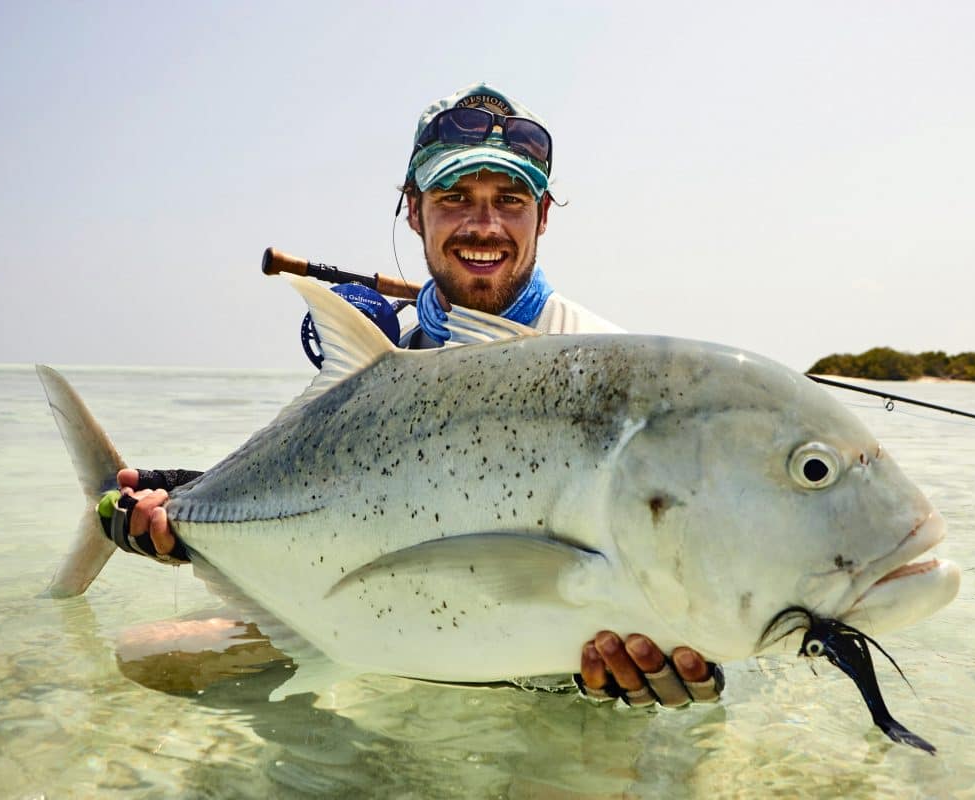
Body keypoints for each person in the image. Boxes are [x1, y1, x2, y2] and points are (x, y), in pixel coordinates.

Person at [111, 83, 723, 708]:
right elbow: (306, 508)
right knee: (143, 655)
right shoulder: (376, 362)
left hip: (550, 686)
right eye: (455, 197)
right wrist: (188, 520)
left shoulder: (612, 370)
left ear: (542, 216)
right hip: (390, 641)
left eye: (509, 200)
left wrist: (671, 659)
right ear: (413, 209)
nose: (484, 225)